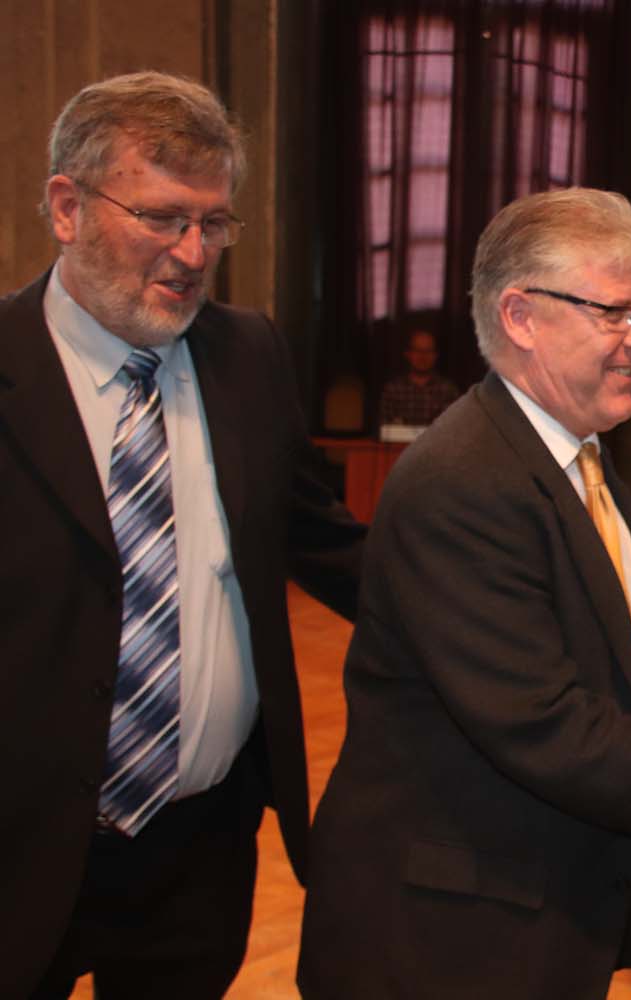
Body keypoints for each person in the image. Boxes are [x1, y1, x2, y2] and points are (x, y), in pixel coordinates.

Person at [296, 189, 631, 999]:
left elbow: (571, 634)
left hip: (528, 901)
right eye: (615, 312)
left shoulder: (573, 451)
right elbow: (544, 725)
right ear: (520, 316)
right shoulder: (463, 482)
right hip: (449, 938)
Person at [0, 71, 366, 998]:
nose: (194, 253)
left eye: (213, 223)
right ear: (67, 208)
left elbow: (326, 545)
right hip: (21, 843)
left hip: (201, 842)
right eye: (163, 218)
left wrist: (527, 619)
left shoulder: (248, 354)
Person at [378, 328, 461, 425]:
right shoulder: (393, 390)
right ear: (408, 354)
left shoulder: (448, 390)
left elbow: (456, 426)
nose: (423, 356)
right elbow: (385, 427)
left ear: (435, 355)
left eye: (428, 351)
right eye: (417, 350)